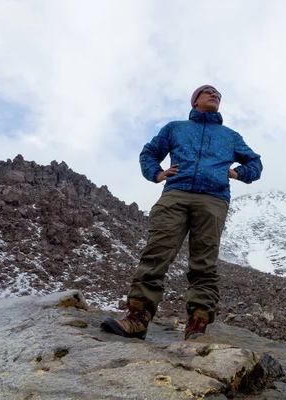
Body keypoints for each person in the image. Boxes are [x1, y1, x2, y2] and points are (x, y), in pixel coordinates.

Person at [101, 85, 262, 340]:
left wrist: (237, 173)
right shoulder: (175, 128)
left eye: (218, 95)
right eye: (208, 92)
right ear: (195, 101)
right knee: (156, 253)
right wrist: (157, 173)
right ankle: (137, 318)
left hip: (213, 200)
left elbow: (255, 163)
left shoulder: (230, 136)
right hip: (175, 195)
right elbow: (149, 153)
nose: (215, 95)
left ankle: (197, 327)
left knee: (204, 264)